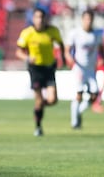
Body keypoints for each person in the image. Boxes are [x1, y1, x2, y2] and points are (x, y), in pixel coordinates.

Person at [15, 8, 65, 137]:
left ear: (45, 19)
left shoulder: (52, 31)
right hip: (35, 69)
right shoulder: (27, 33)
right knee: (39, 98)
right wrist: (27, 58)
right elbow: (18, 52)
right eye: (37, 17)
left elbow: (61, 44)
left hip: (49, 68)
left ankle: (38, 107)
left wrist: (63, 58)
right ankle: (38, 126)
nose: (40, 20)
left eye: (42, 17)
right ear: (33, 19)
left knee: (53, 100)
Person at [64, 10, 104, 129]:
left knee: (94, 96)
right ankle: (74, 122)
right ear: (82, 20)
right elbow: (67, 49)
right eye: (86, 19)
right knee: (79, 94)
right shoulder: (75, 33)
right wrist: (69, 58)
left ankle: (78, 112)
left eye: (90, 19)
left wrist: (102, 57)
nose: (88, 21)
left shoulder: (97, 34)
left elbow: (101, 48)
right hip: (79, 68)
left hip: (91, 69)